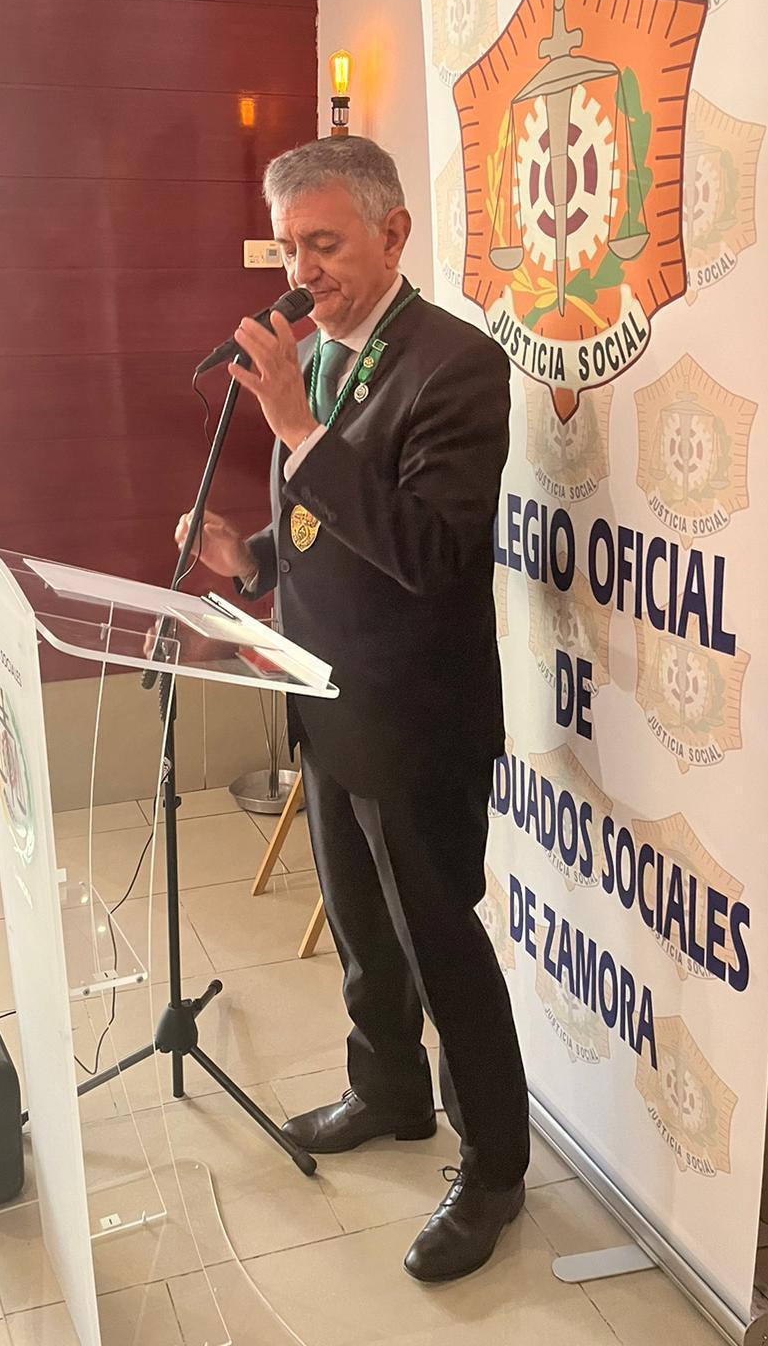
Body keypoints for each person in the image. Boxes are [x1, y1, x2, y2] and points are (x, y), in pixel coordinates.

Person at [176, 136, 529, 1284]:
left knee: (439, 949)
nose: (303, 268)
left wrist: (295, 430)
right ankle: (388, 1094)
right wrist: (253, 558)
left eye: (325, 242)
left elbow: (429, 551)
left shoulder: (456, 365)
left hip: (417, 716)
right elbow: (335, 524)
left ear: (393, 234)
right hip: (322, 697)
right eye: (291, 244)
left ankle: (492, 1171)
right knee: (363, 935)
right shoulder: (322, 361)